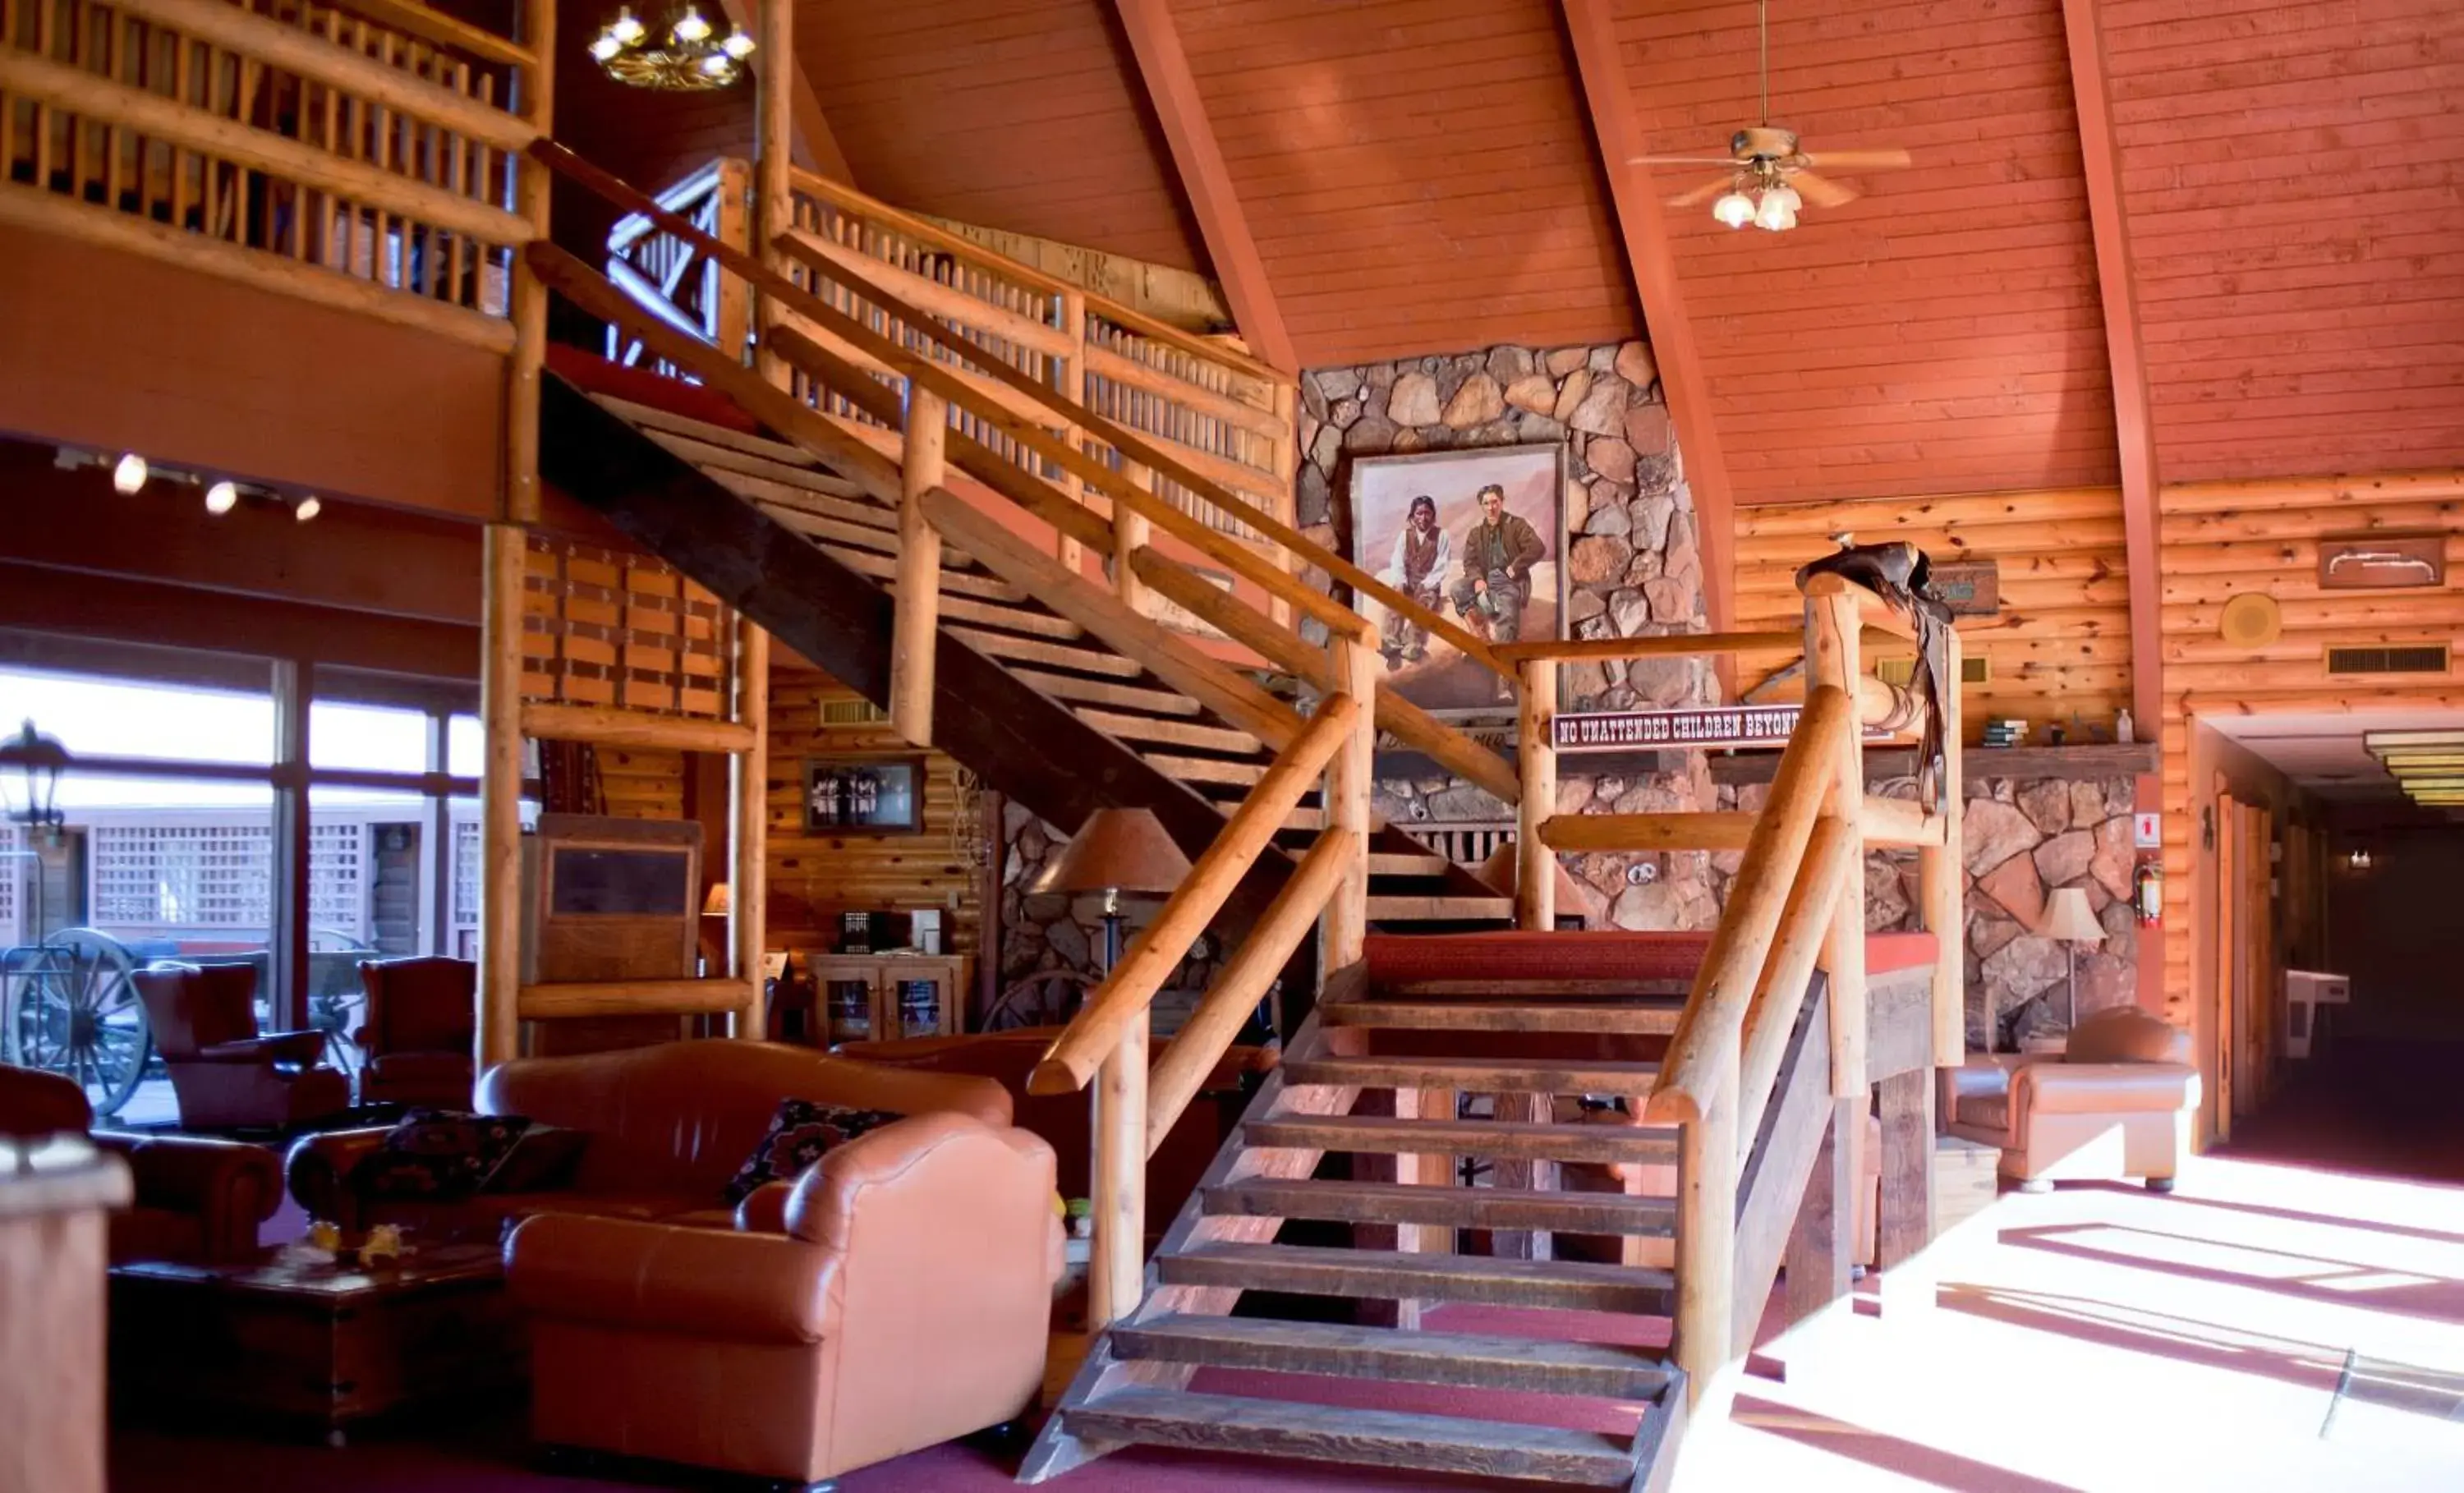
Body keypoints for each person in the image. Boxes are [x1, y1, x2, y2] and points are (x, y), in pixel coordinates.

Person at [1448, 483, 1546, 648]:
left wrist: (1516, 566)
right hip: (1485, 581)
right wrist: (1478, 579)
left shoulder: (1516, 525)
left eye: (1495, 502)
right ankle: (1480, 637)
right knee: (1457, 588)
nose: (1491, 508)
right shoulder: (1476, 533)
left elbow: (1537, 547)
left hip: (1510, 581)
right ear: (1481, 506)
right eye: (1486, 503)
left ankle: (1504, 655)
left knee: (1507, 615)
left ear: (1502, 502)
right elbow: (1470, 562)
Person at [1379, 494, 1451, 665]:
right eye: (1419, 513)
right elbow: (1397, 561)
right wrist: (1401, 581)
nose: (1423, 517)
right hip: (1408, 581)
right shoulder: (1404, 536)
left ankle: (1413, 643)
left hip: (1429, 585)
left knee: (1423, 605)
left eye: (1427, 513)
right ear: (1412, 517)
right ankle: (1390, 639)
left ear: (1433, 516)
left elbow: (1442, 564)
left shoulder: (1442, 536)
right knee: (1394, 600)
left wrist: (1427, 584)